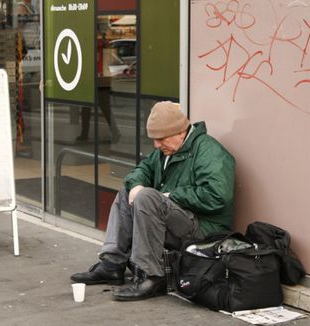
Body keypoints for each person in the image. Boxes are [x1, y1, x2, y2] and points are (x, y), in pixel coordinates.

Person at [70, 101, 235, 301]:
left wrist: (172, 196)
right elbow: (141, 170)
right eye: (154, 139)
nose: (156, 145)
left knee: (147, 197)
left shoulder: (210, 151)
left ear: (181, 132)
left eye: (161, 139)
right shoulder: (165, 151)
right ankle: (112, 265)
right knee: (129, 190)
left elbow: (217, 196)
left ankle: (152, 276)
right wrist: (137, 184)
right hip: (178, 220)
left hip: (204, 228)